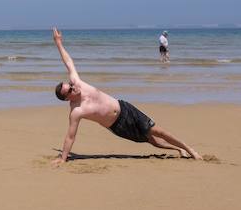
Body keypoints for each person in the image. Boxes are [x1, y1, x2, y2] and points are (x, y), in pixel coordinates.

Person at [51, 27, 201, 162]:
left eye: (70, 85)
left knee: (157, 130)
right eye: (69, 90)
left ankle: (189, 149)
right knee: (152, 140)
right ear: (67, 98)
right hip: (118, 126)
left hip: (125, 109)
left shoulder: (78, 83)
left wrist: (58, 43)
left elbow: (68, 62)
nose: (72, 87)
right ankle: (178, 149)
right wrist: (63, 158)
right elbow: (70, 136)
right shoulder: (76, 112)